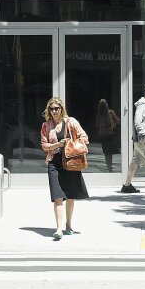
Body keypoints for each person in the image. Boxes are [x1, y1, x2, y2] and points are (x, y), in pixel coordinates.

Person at [39, 96, 88, 240]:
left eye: (57, 108)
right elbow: (44, 145)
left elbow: (84, 138)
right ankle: (59, 228)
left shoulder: (71, 122)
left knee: (70, 197)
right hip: (54, 163)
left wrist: (70, 142)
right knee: (57, 196)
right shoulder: (46, 126)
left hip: (71, 162)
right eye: (51, 109)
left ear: (61, 109)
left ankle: (68, 225)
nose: (54, 111)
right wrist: (57, 145)